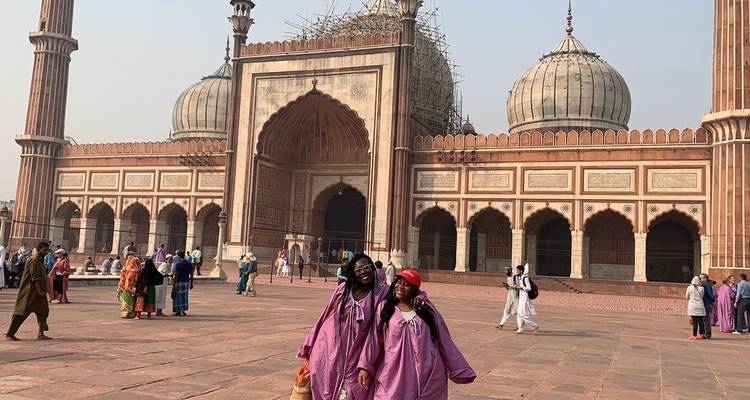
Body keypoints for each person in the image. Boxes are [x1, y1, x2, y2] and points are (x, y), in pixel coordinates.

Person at [357, 269, 476, 399]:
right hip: (395, 371)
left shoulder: (426, 310)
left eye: (406, 285)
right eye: (398, 282)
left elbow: (444, 340)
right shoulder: (385, 308)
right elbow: (374, 340)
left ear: (414, 289)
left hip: (428, 372)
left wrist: (459, 369)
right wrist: (365, 366)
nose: (400, 287)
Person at [297, 254, 386, 400]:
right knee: (325, 385)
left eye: (366, 267)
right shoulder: (343, 290)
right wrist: (309, 345)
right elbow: (325, 315)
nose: (363, 272)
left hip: (358, 352)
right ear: (352, 273)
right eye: (358, 270)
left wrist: (419, 300)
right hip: (329, 347)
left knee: (354, 390)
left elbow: (406, 293)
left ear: (372, 268)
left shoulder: (381, 293)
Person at [5, 242, 52, 341]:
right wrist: (40, 290)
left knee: (43, 312)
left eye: (47, 251)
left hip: (39, 292)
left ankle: (41, 333)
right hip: (30, 292)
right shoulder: (34, 260)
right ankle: (10, 333)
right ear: (39, 249)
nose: (46, 253)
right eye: (44, 250)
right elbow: (35, 277)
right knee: (21, 313)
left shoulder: (40, 260)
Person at [513, 264, 539, 334]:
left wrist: (521, 287)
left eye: (517, 270)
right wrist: (518, 286)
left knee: (523, 314)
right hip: (521, 298)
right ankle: (520, 328)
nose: (516, 272)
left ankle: (534, 326)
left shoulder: (525, 278)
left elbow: (529, 288)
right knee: (519, 314)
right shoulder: (521, 278)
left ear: (521, 271)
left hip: (525, 299)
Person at [117, 254, 141, 319]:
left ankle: (124, 313)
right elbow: (135, 280)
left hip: (123, 287)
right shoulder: (135, 271)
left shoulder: (125, 268)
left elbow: (122, 278)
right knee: (130, 301)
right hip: (131, 288)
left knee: (125, 300)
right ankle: (130, 314)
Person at [172, 251, 193, 316]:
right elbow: (191, 274)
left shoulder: (178, 264)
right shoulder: (189, 264)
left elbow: (176, 275)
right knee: (184, 296)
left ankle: (178, 311)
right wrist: (191, 283)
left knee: (177, 296)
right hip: (186, 282)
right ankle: (183, 309)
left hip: (179, 282)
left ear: (178, 256)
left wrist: (174, 285)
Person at [497, 266, 518, 330]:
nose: (505, 272)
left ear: (510, 271)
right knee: (506, 309)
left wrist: (510, 286)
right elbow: (509, 288)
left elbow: (518, 286)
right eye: (505, 271)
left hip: (516, 296)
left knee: (517, 312)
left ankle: (519, 326)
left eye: (506, 271)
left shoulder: (515, 277)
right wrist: (506, 286)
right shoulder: (508, 277)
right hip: (510, 295)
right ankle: (501, 324)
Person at [699, 273, 716, 339]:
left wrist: (713, 300)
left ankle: (707, 334)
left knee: (706, 320)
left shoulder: (706, 285)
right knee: (704, 319)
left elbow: (710, 294)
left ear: (706, 278)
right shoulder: (704, 285)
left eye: (702, 278)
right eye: (700, 278)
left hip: (707, 303)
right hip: (706, 303)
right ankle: (704, 333)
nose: (701, 279)